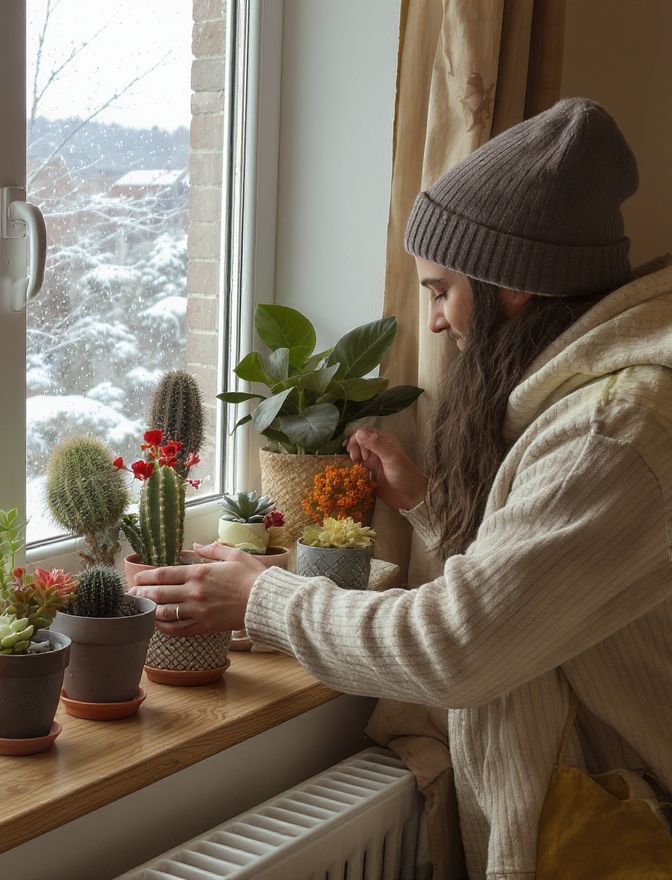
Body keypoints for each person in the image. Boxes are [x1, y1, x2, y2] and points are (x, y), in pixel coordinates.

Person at [128, 97, 672, 880]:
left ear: (514, 287)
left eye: (441, 290)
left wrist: (260, 597)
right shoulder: (595, 405)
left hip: (625, 832)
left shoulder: (612, 430)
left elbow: (459, 646)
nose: (439, 322)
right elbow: (542, 586)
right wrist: (425, 504)